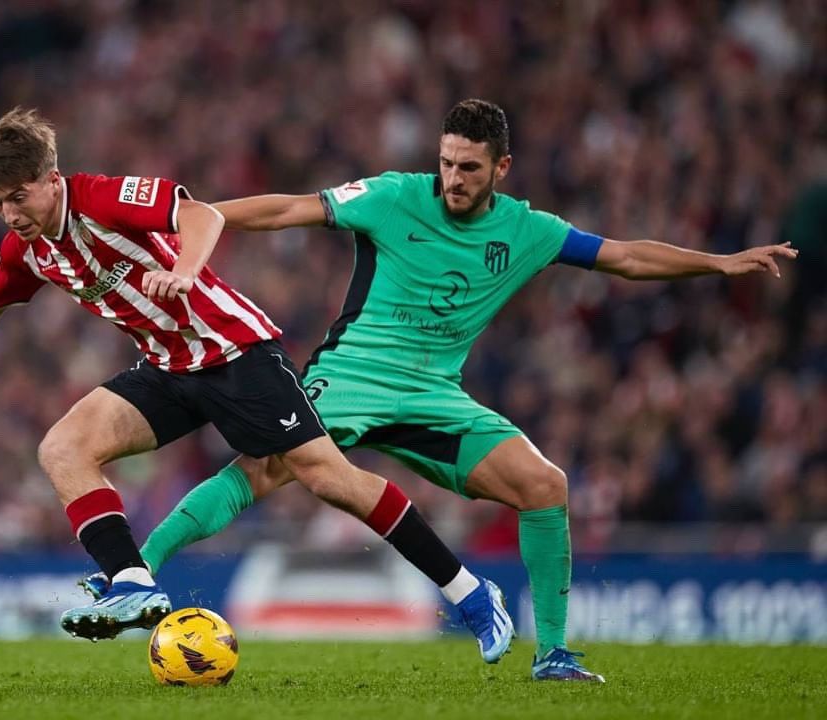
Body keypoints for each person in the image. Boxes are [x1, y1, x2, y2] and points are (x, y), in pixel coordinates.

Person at [140, 99, 799, 681]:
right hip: (351, 378)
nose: (453, 179)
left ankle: (555, 654)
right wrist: (194, 220)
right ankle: (137, 570)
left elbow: (624, 258)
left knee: (545, 486)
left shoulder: (527, 231)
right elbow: (290, 208)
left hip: (433, 393)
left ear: (502, 169)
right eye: (448, 163)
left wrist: (716, 262)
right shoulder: (395, 195)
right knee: (260, 466)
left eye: (470, 169)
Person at [0, 107, 514, 659]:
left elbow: (199, 215)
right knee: (63, 447)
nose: (9, 215)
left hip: (235, 352)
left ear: (51, 181)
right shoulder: (30, 249)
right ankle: (133, 581)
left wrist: (186, 270)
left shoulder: (101, 198)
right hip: (168, 368)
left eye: (18, 197)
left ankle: (470, 593)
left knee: (329, 479)